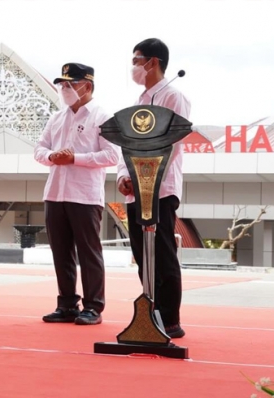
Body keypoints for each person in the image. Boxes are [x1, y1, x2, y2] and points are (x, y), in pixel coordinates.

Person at [34, 63, 120, 326]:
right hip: (55, 193)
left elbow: (112, 155)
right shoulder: (57, 117)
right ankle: (67, 303)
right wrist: (51, 156)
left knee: (88, 252)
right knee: (61, 252)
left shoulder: (103, 117)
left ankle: (93, 306)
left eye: (70, 84)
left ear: (88, 86)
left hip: (84, 195)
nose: (65, 89)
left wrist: (75, 158)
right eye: (62, 85)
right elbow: (39, 149)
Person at [117, 38, 191, 338]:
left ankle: (170, 320)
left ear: (153, 62)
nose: (134, 66)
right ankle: (149, 314)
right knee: (141, 253)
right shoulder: (138, 102)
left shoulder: (174, 97)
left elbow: (172, 144)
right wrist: (124, 174)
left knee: (161, 253)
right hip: (136, 190)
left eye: (137, 60)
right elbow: (126, 142)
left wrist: (143, 175)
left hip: (160, 189)